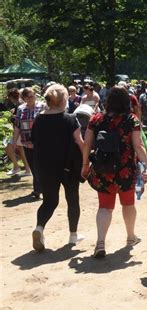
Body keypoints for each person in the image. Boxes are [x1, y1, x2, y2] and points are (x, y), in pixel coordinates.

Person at [81, 86, 147, 258]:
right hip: (125, 169)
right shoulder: (131, 120)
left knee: (104, 206)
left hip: (102, 168)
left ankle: (100, 242)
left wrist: (85, 165)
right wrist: (146, 164)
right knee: (128, 204)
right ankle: (131, 237)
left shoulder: (95, 119)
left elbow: (87, 144)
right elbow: (138, 145)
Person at [30, 84, 85, 251]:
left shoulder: (38, 119)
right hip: (68, 166)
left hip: (44, 166)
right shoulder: (70, 119)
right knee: (72, 199)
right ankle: (73, 236)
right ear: (64, 100)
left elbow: (34, 142)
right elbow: (80, 142)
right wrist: (87, 160)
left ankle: (39, 228)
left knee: (49, 201)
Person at [12, 88, 44, 198]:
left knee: (40, 166)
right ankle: (38, 189)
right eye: (28, 97)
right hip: (27, 143)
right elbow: (17, 126)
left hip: (41, 142)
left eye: (33, 96)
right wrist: (14, 141)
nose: (31, 98)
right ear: (24, 98)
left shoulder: (42, 107)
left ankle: (39, 189)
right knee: (33, 167)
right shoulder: (20, 109)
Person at [4, 88, 31, 176]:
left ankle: (17, 167)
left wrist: (11, 115)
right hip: (22, 129)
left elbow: (20, 118)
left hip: (20, 130)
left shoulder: (19, 104)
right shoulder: (19, 103)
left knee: (7, 145)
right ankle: (26, 169)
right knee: (20, 149)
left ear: (12, 97)